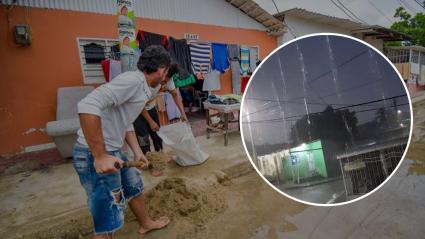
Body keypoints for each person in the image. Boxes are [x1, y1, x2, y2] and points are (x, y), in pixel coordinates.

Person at [72, 45, 171, 238]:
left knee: (134, 186)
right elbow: (87, 104)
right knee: (108, 214)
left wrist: (137, 151)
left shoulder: (143, 88)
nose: (165, 77)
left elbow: (125, 121)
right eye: (166, 72)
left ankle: (145, 223)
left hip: (115, 150)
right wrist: (99, 156)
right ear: (161, 70)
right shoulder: (132, 81)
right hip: (94, 153)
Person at [133, 63, 188, 157]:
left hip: (151, 107)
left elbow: (175, 95)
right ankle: (149, 160)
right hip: (137, 111)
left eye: (166, 81)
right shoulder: (145, 80)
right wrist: (150, 122)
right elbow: (139, 104)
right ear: (161, 73)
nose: (164, 83)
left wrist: (183, 113)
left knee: (157, 134)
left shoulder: (168, 79)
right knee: (143, 138)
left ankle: (160, 157)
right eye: (164, 80)